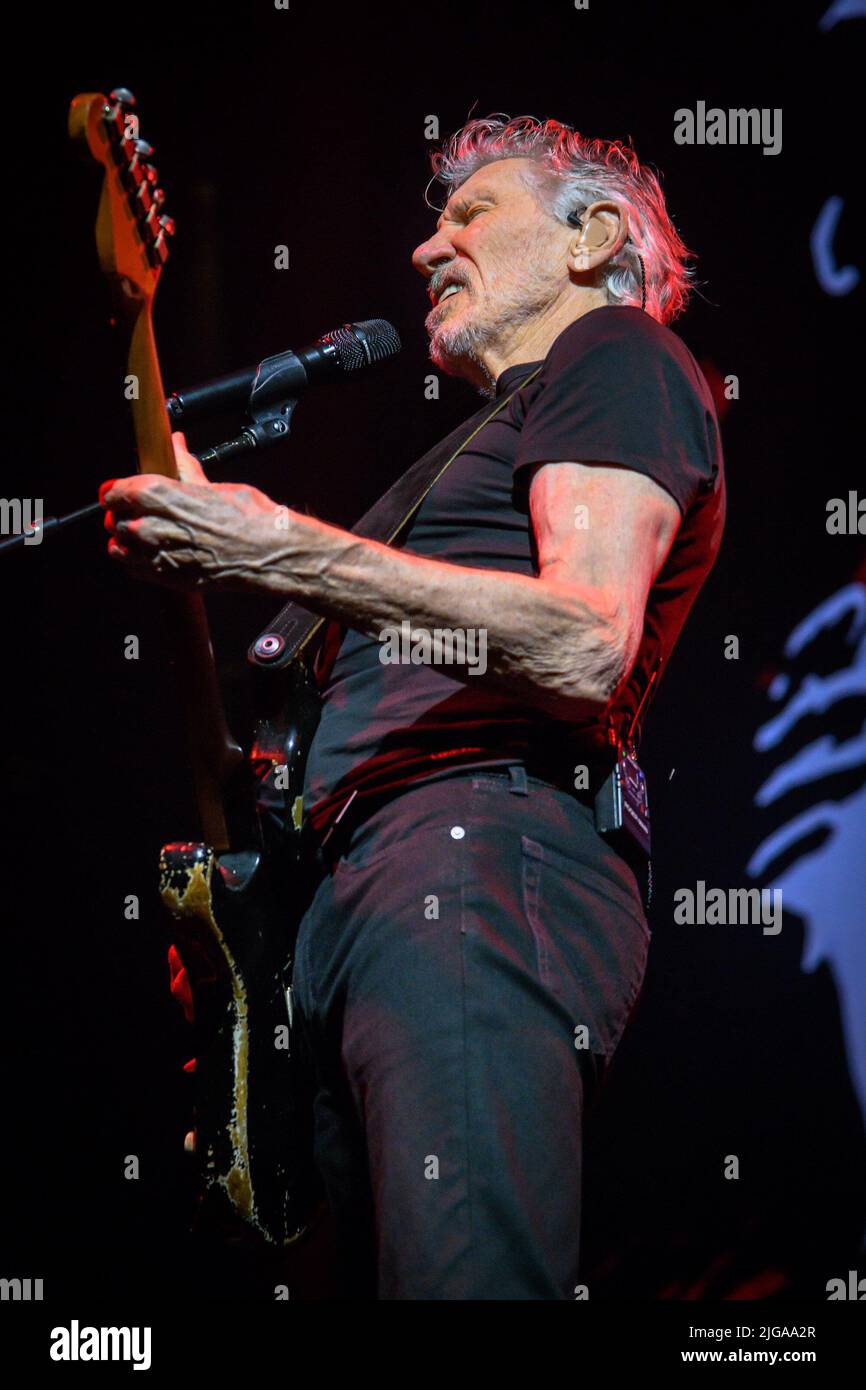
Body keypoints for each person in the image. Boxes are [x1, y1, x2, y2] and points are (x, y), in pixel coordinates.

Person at [100, 115, 726, 1300]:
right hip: (362, 898)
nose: (425, 249)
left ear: (593, 236)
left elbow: (584, 642)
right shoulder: (474, 453)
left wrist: (277, 544)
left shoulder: (614, 357)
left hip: (473, 855)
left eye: (470, 214)